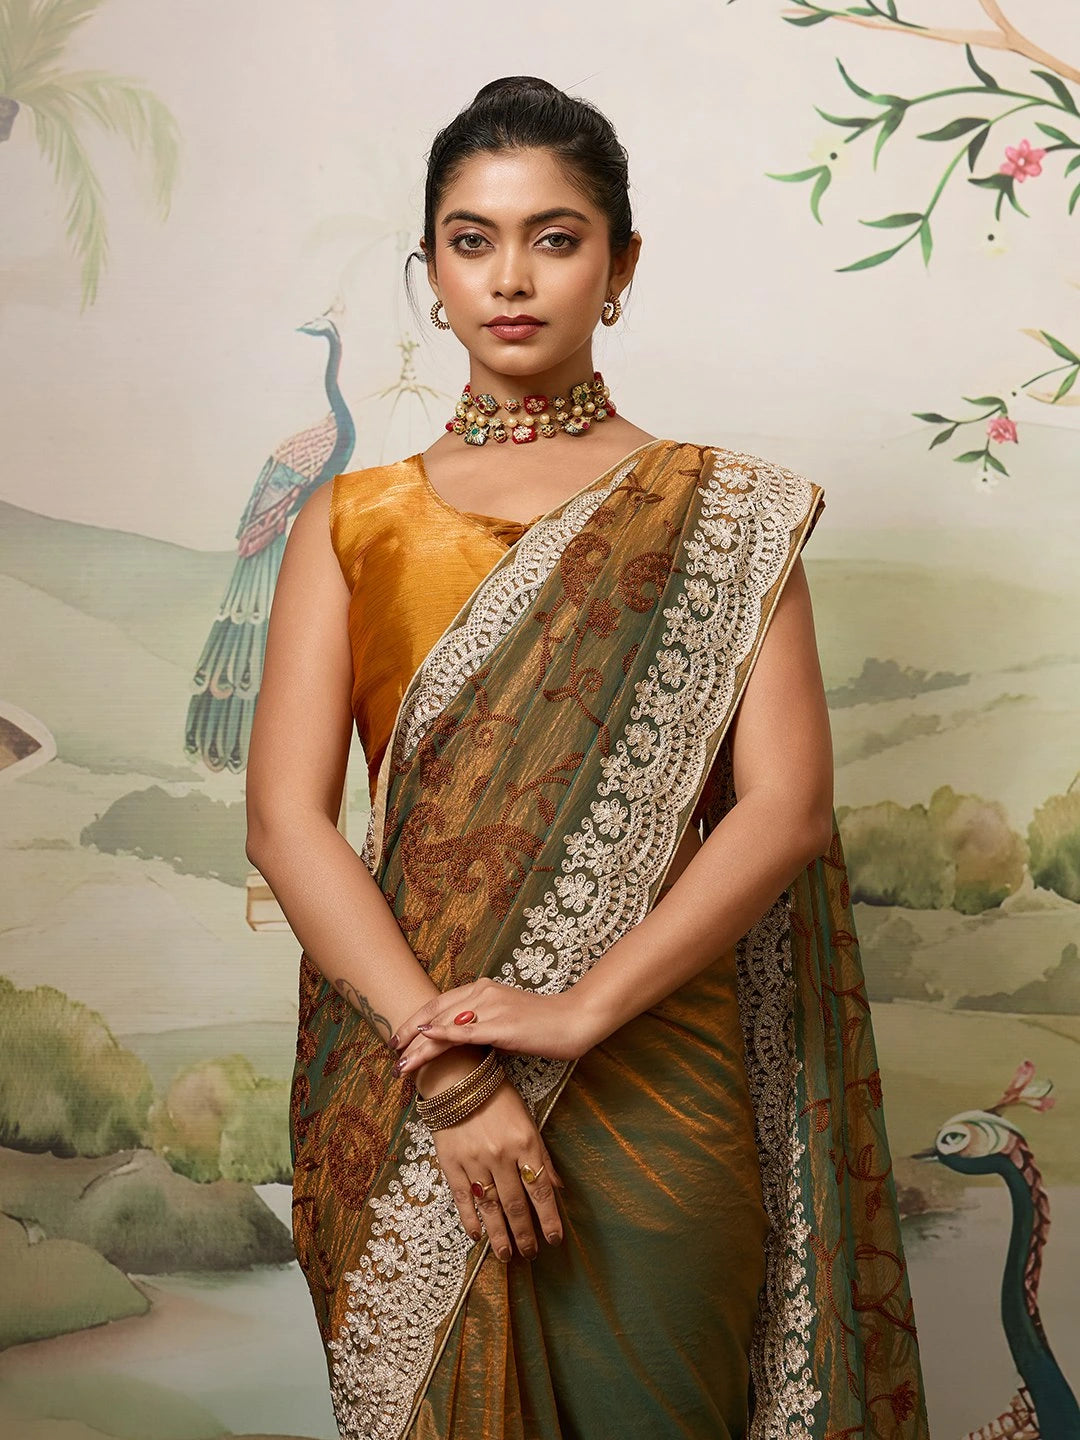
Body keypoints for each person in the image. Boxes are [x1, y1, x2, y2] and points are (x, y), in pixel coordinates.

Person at [245, 75, 929, 1440]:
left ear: (621, 266)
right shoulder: (354, 520)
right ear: (430, 270)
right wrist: (444, 1074)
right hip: (408, 1071)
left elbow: (786, 810)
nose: (512, 277)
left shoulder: (724, 514)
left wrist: (576, 1014)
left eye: (556, 238)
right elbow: (286, 823)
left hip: (657, 1072)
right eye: (472, 238)